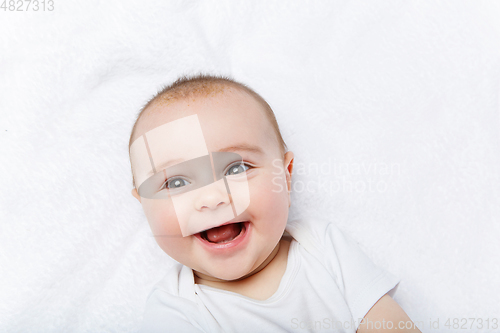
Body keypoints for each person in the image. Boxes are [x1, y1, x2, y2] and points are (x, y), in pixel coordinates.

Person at [128, 74, 421, 332]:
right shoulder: (174, 311)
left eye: (237, 168)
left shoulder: (323, 248)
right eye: (176, 183)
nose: (211, 198)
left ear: (286, 176)